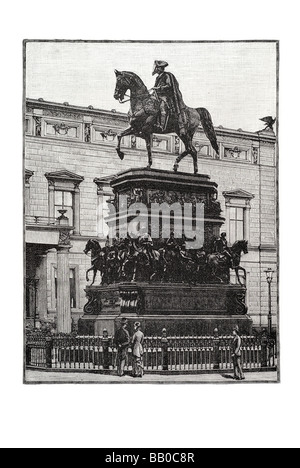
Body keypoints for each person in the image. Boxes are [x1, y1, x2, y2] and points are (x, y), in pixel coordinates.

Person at [152, 60, 187, 134]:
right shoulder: (158, 77)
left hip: (166, 96)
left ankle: (161, 126)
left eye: (157, 68)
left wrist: (159, 88)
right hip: (158, 96)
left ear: (161, 68)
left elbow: (169, 85)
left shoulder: (167, 75)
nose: (156, 69)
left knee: (162, 107)